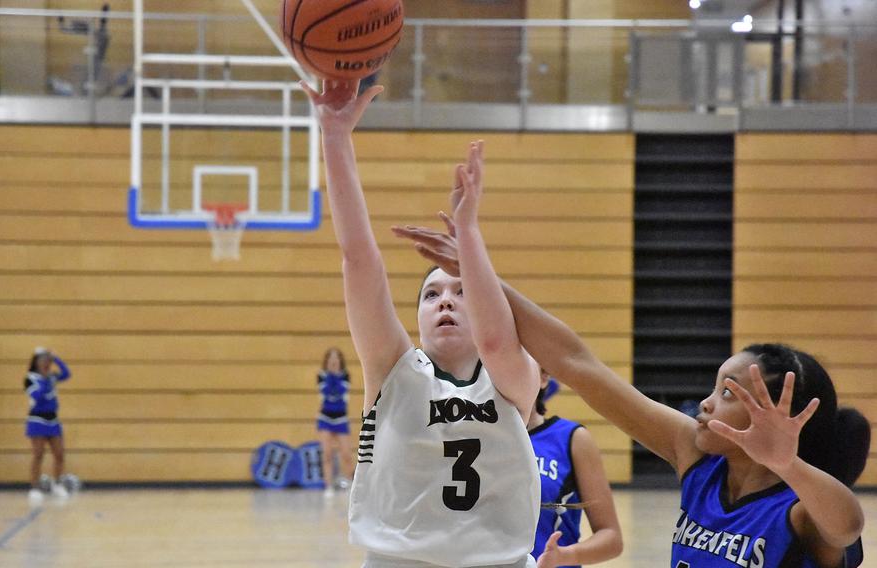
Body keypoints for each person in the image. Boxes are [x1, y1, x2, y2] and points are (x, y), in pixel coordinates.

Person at [394, 219, 869, 568]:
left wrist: (788, 465)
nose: (705, 403)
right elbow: (578, 364)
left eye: (727, 392)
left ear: (780, 415)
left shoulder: (800, 510)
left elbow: (847, 524)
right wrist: (479, 277)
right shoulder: (700, 459)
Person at [300, 78, 541, 568]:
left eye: (459, 292)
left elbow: (496, 339)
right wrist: (335, 137)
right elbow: (359, 260)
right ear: (417, 317)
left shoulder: (515, 375)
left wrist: (468, 234)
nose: (445, 302)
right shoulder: (393, 369)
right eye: (431, 295)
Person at [528, 369, 622, 568]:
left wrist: (563, 556)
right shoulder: (479, 437)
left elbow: (611, 538)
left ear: (544, 377)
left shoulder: (571, 438)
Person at [25, 347, 72, 504]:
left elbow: (67, 374)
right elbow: (37, 397)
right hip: (37, 419)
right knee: (38, 454)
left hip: (53, 419)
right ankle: (34, 487)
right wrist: (45, 379)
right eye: (42, 359)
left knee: (59, 453)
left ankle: (57, 484)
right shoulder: (30, 378)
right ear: (36, 362)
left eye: (48, 360)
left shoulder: (52, 376)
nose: (46, 363)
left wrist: (56, 358)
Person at [316, 346, 354, 497]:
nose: (333, 360)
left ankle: (352, 484)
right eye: (331, 358)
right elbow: (326, 392)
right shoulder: (321, 375)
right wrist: (330, 374)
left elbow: (339, 392)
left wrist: (335, 375)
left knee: (346, 453)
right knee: (327, 453)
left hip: (341, 418)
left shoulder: (345, 376)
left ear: (340, 360)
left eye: (336, 357)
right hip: (325, 417)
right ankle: (328, 486)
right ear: (327, 361)